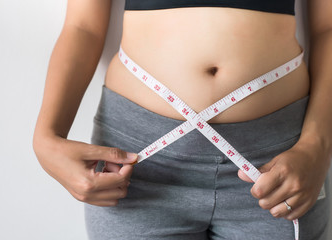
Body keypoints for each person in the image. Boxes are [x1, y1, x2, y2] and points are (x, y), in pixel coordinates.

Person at [32, 0, 332, 239]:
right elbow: (83, 26)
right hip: (137, 163)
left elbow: (327, 28)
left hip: (280, 159)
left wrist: (317, 146)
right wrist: (47, 136)